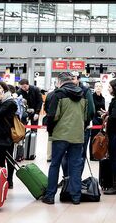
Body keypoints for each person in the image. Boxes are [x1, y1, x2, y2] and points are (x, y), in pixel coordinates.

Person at [42, 72, 87, 205]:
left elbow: (53, 116)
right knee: (75, 166)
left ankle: (50, 196)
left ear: (59, 82)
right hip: (77, 135)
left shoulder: (58, 94)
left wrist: (50, 130)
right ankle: (76, 197)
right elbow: (86, 116)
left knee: (55, 164)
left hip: (60, 135)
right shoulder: (83, 94)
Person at [0, 81, 18, 189]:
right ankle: (3, 181)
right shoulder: (1, 101)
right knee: (1, 160)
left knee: (4, 160)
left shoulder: (10, 102)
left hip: (5, 136)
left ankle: (8, 180)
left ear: (4, 89)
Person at [90, 82, 106, 159]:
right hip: (94, 119)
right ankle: (92, 155)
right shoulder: (92, 97)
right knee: (94, 137)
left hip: (101, 119)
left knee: (101, 137)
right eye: (96, 86)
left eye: (100, 86)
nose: (98, 88)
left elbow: (104, 108)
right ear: (94, 87)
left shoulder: (103, 98)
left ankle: (99, 153)